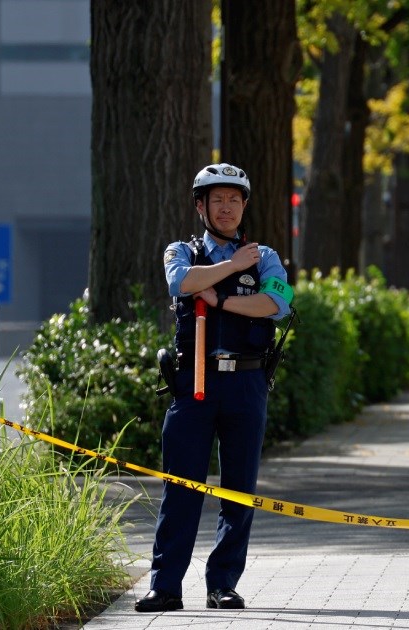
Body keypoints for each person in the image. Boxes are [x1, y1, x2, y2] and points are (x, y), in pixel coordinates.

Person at [136, 163, 293, 613]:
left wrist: (222, 298)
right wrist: (229, 266)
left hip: (246, 382)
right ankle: (164, 586)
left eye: (234, 200)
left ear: (244, 206)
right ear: (200, 206)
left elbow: (278, 303)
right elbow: (181, 283)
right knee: (180, 486)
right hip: (194, 384)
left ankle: (222, 584)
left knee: (239, 488)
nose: (226, 208)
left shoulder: (264, 257)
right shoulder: (180, 251)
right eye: (216, 200)